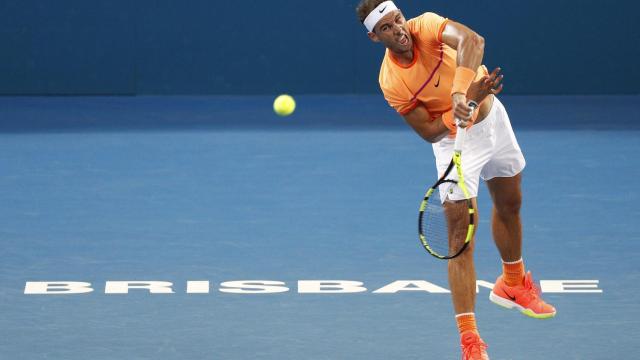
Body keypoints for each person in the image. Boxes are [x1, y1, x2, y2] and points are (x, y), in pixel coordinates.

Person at [355, 1, 556, 359]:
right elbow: (429, 131)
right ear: (374, 37)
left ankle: (512, 284)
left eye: (398, 19)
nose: (398, 29)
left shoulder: (427, 25)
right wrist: (457, 111)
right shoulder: (392, 81)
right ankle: (469, 340)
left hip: (494, 120)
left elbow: (472, 41)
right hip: (453, 146)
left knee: (510, 204)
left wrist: (465, 95)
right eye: (386, 28)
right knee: (459, 238)